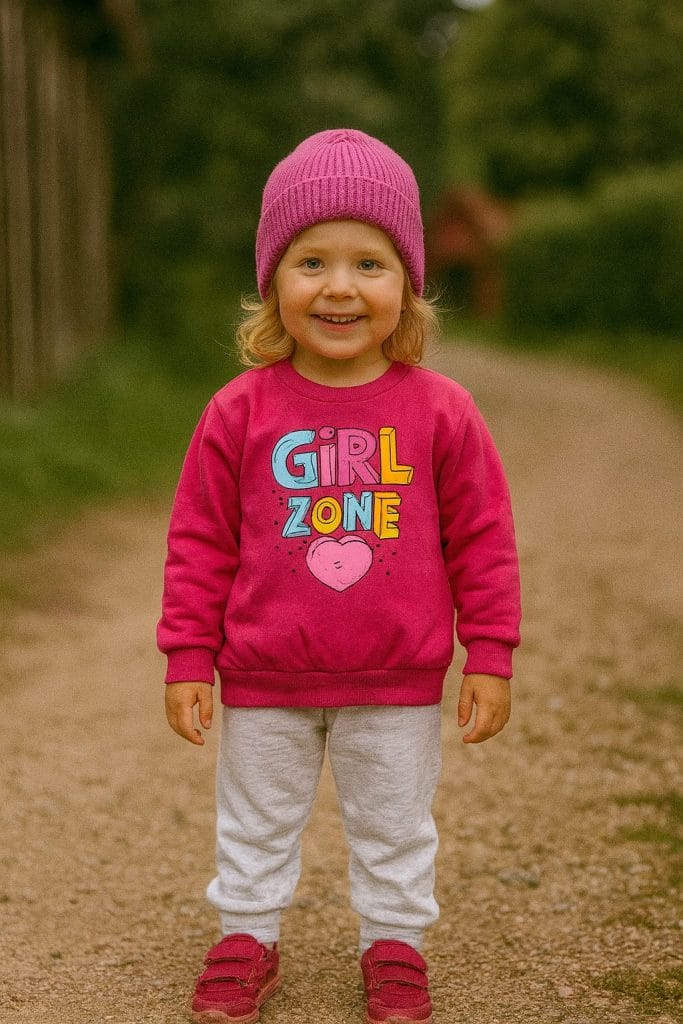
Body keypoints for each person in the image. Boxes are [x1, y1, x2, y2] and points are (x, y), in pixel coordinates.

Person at [158, 128, 521, 1024]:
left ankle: (394, 944)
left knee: (395, 825)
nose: (339, 287)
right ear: (273, 281)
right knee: (253, 822)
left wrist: (490, 653)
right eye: (311, 261)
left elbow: (481, 538)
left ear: (407, 285)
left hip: (396, 680)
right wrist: (186, 655)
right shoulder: (238, 411)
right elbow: (200, 541)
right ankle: (246, 936)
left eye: (369, 264)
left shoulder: (441, 411)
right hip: (263, 675)